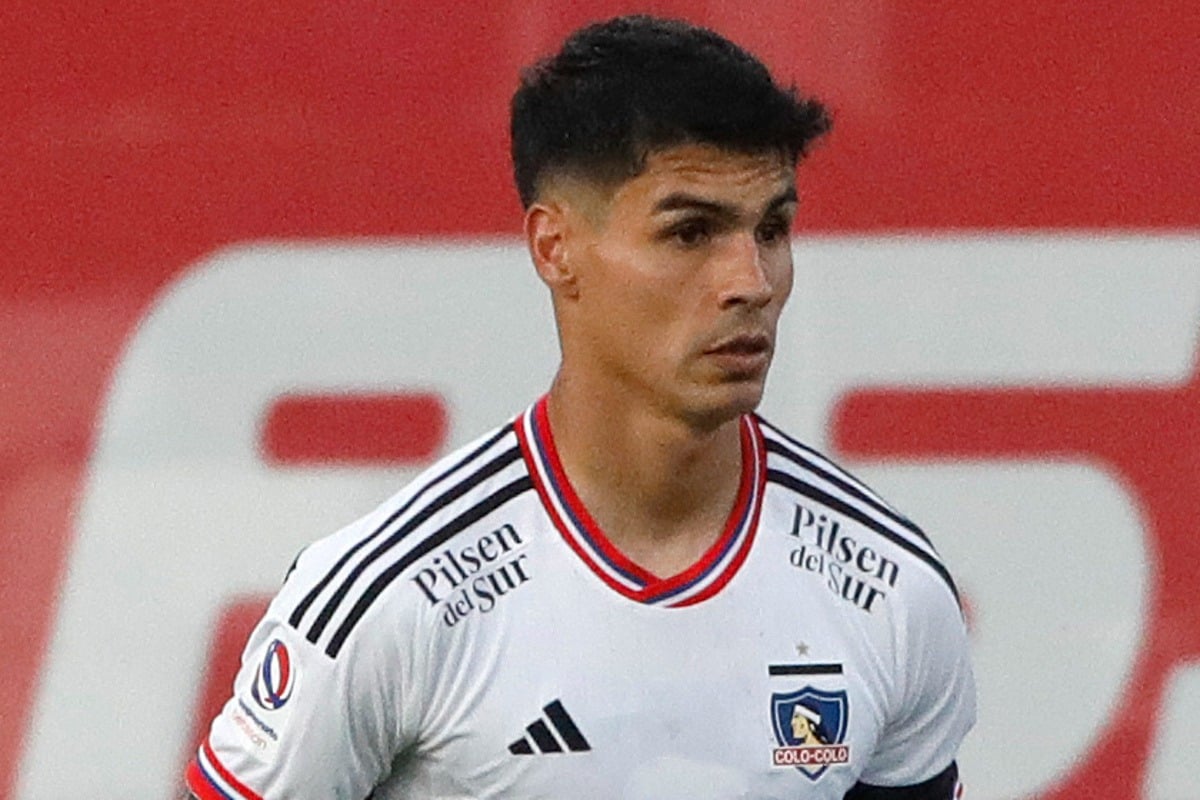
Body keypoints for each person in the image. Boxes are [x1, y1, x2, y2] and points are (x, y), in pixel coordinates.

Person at [185, 14, 975, 800]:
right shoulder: (392, 600)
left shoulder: (888, 587)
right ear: (554, 249)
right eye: (690, 232)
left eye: (772, 229)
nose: (752, 281)